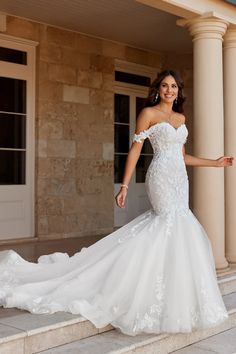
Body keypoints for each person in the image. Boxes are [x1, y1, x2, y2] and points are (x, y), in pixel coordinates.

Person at [0, 69, 233, 336]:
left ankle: (171, 290)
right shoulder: (148, 113)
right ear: (158, 89)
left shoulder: (181, 118)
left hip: (180, 179)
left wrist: (214, 163)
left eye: (174, 87)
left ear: (179, 91)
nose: (170, 90)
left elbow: (182, 156)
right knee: (167, 222)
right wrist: (124, 185)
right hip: (160, 178)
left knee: (179, 226)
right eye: (165, 86)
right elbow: (135, 150)